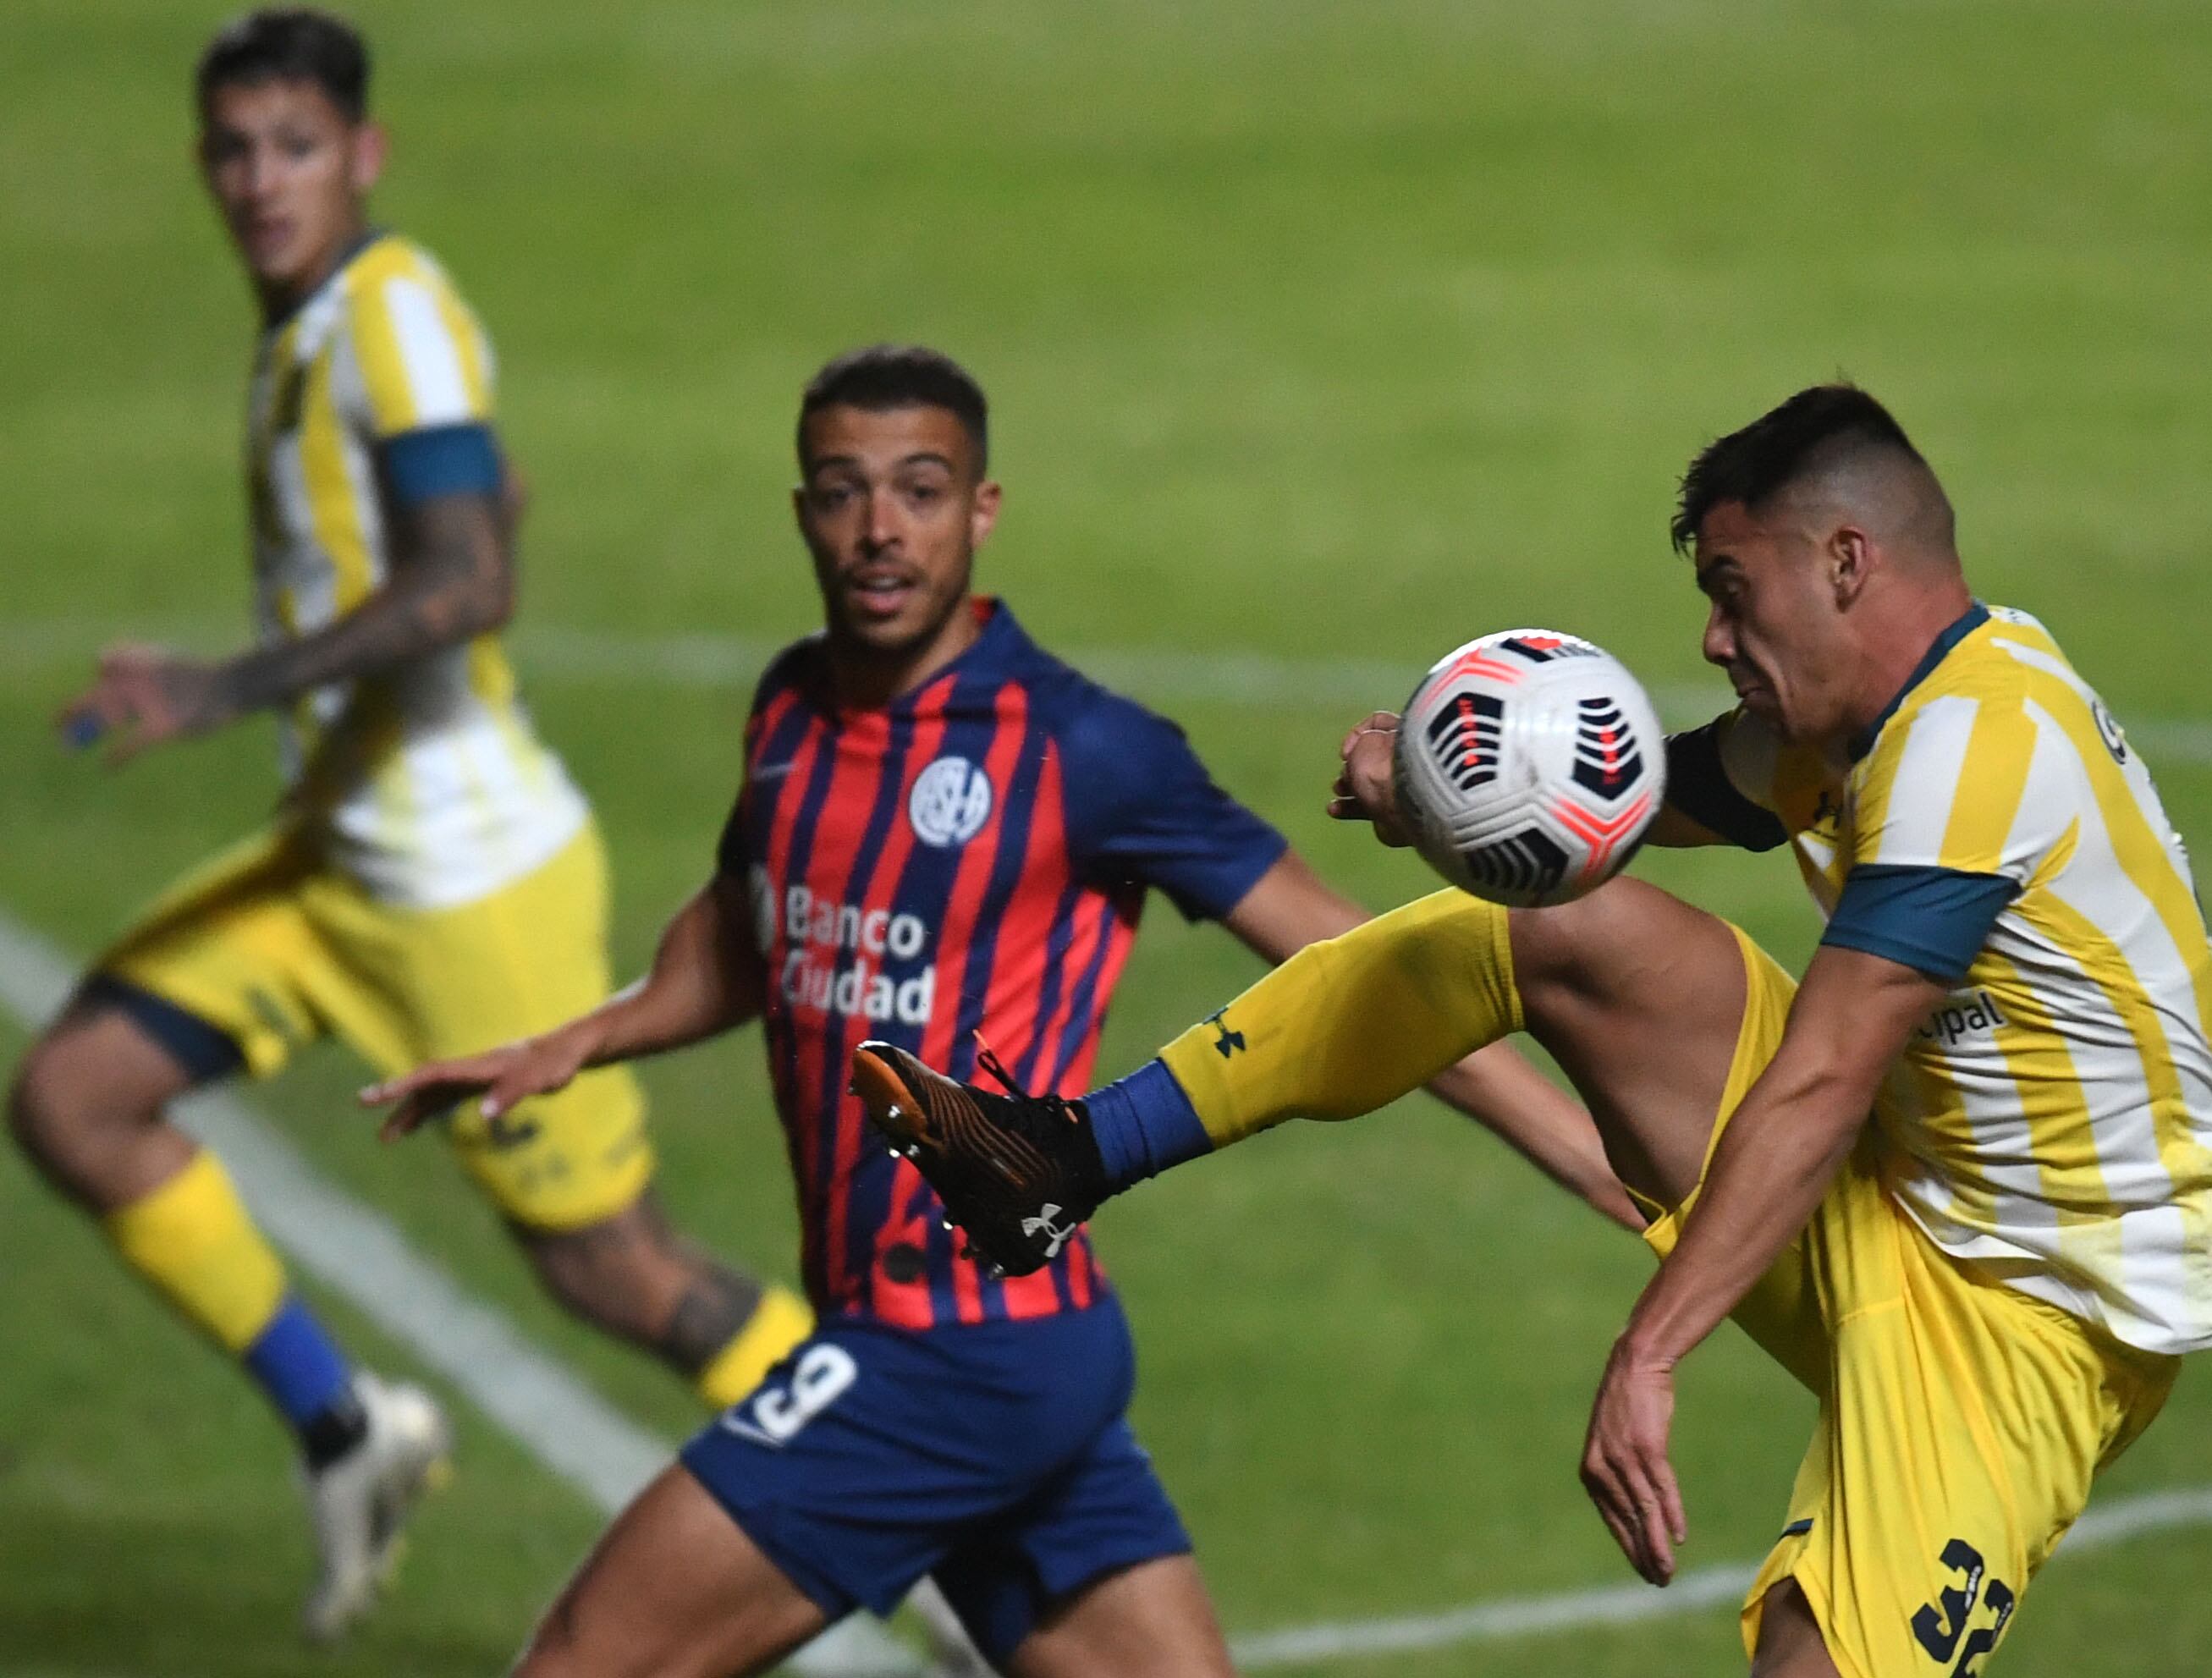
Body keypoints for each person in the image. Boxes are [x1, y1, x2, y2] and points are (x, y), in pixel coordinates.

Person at [853, 383, 2212, 1677]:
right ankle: (1063, 1156)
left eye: (1731, 592)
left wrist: (1649, 1351)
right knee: (1559, 930)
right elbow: (1624, 802)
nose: (1713, 639)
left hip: (2035, 1316)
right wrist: (1431, 793)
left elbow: (1821, 1081)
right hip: (1898, 1184)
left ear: (1843, 561)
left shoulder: (1979, 750)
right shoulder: (1869, 712)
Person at [364, 344, 1624, 1676]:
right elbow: (751, 929)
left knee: (582, 1664)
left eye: (918, 491)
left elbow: (1367, 974)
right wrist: (581, 1037)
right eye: (841, 492)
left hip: (945, 1348)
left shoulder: (1085, 751)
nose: (878, 528)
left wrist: (1605, 1171)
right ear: (801, 512)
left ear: (981, 511)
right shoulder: (790, 708)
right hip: (1017, 1352)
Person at [8, 8, 810, 1640]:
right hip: (337, 858)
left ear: (362, 155)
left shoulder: (389, 315)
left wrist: (222, 687)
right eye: (234, 150)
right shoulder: (315, 326)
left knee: (617, 1269)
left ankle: (946, 1498)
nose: (261, 180)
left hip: (462, 884)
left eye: (295, 147)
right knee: (77, 1096)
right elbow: (484, 501)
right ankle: (348, 1430)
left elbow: (469, 576)